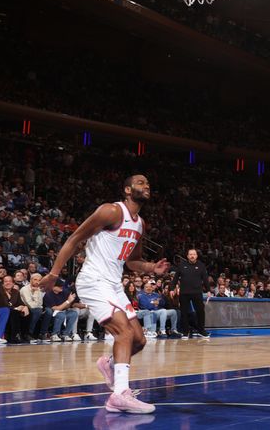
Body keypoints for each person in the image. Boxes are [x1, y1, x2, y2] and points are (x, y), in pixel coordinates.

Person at [40, 175, 168, 414]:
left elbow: (132, 262)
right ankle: (119, 394)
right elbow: (74, 238)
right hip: (94, 280)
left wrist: (151, 268)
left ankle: (109, 364)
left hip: (113, 284)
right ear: (127, 190)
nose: (147, 185)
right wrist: (55, 274)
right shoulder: (111, 211)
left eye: (148, 183)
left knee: (139, 340)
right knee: (124, 332)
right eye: (141, 182)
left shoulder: (140, 223)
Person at [169, 248, 211, 339]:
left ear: (196, 256)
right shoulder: (181, 265)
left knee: (200, 312)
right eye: (190, 254)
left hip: (197, 292)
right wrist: (172, 289)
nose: (192, 256)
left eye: (194, 254)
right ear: (187, 256)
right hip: (184, 293)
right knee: (184, 313)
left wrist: (208, 290)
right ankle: (185, 332)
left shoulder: (201, 265)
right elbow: (175, 278)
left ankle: (201, 331)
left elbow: (205, 279)